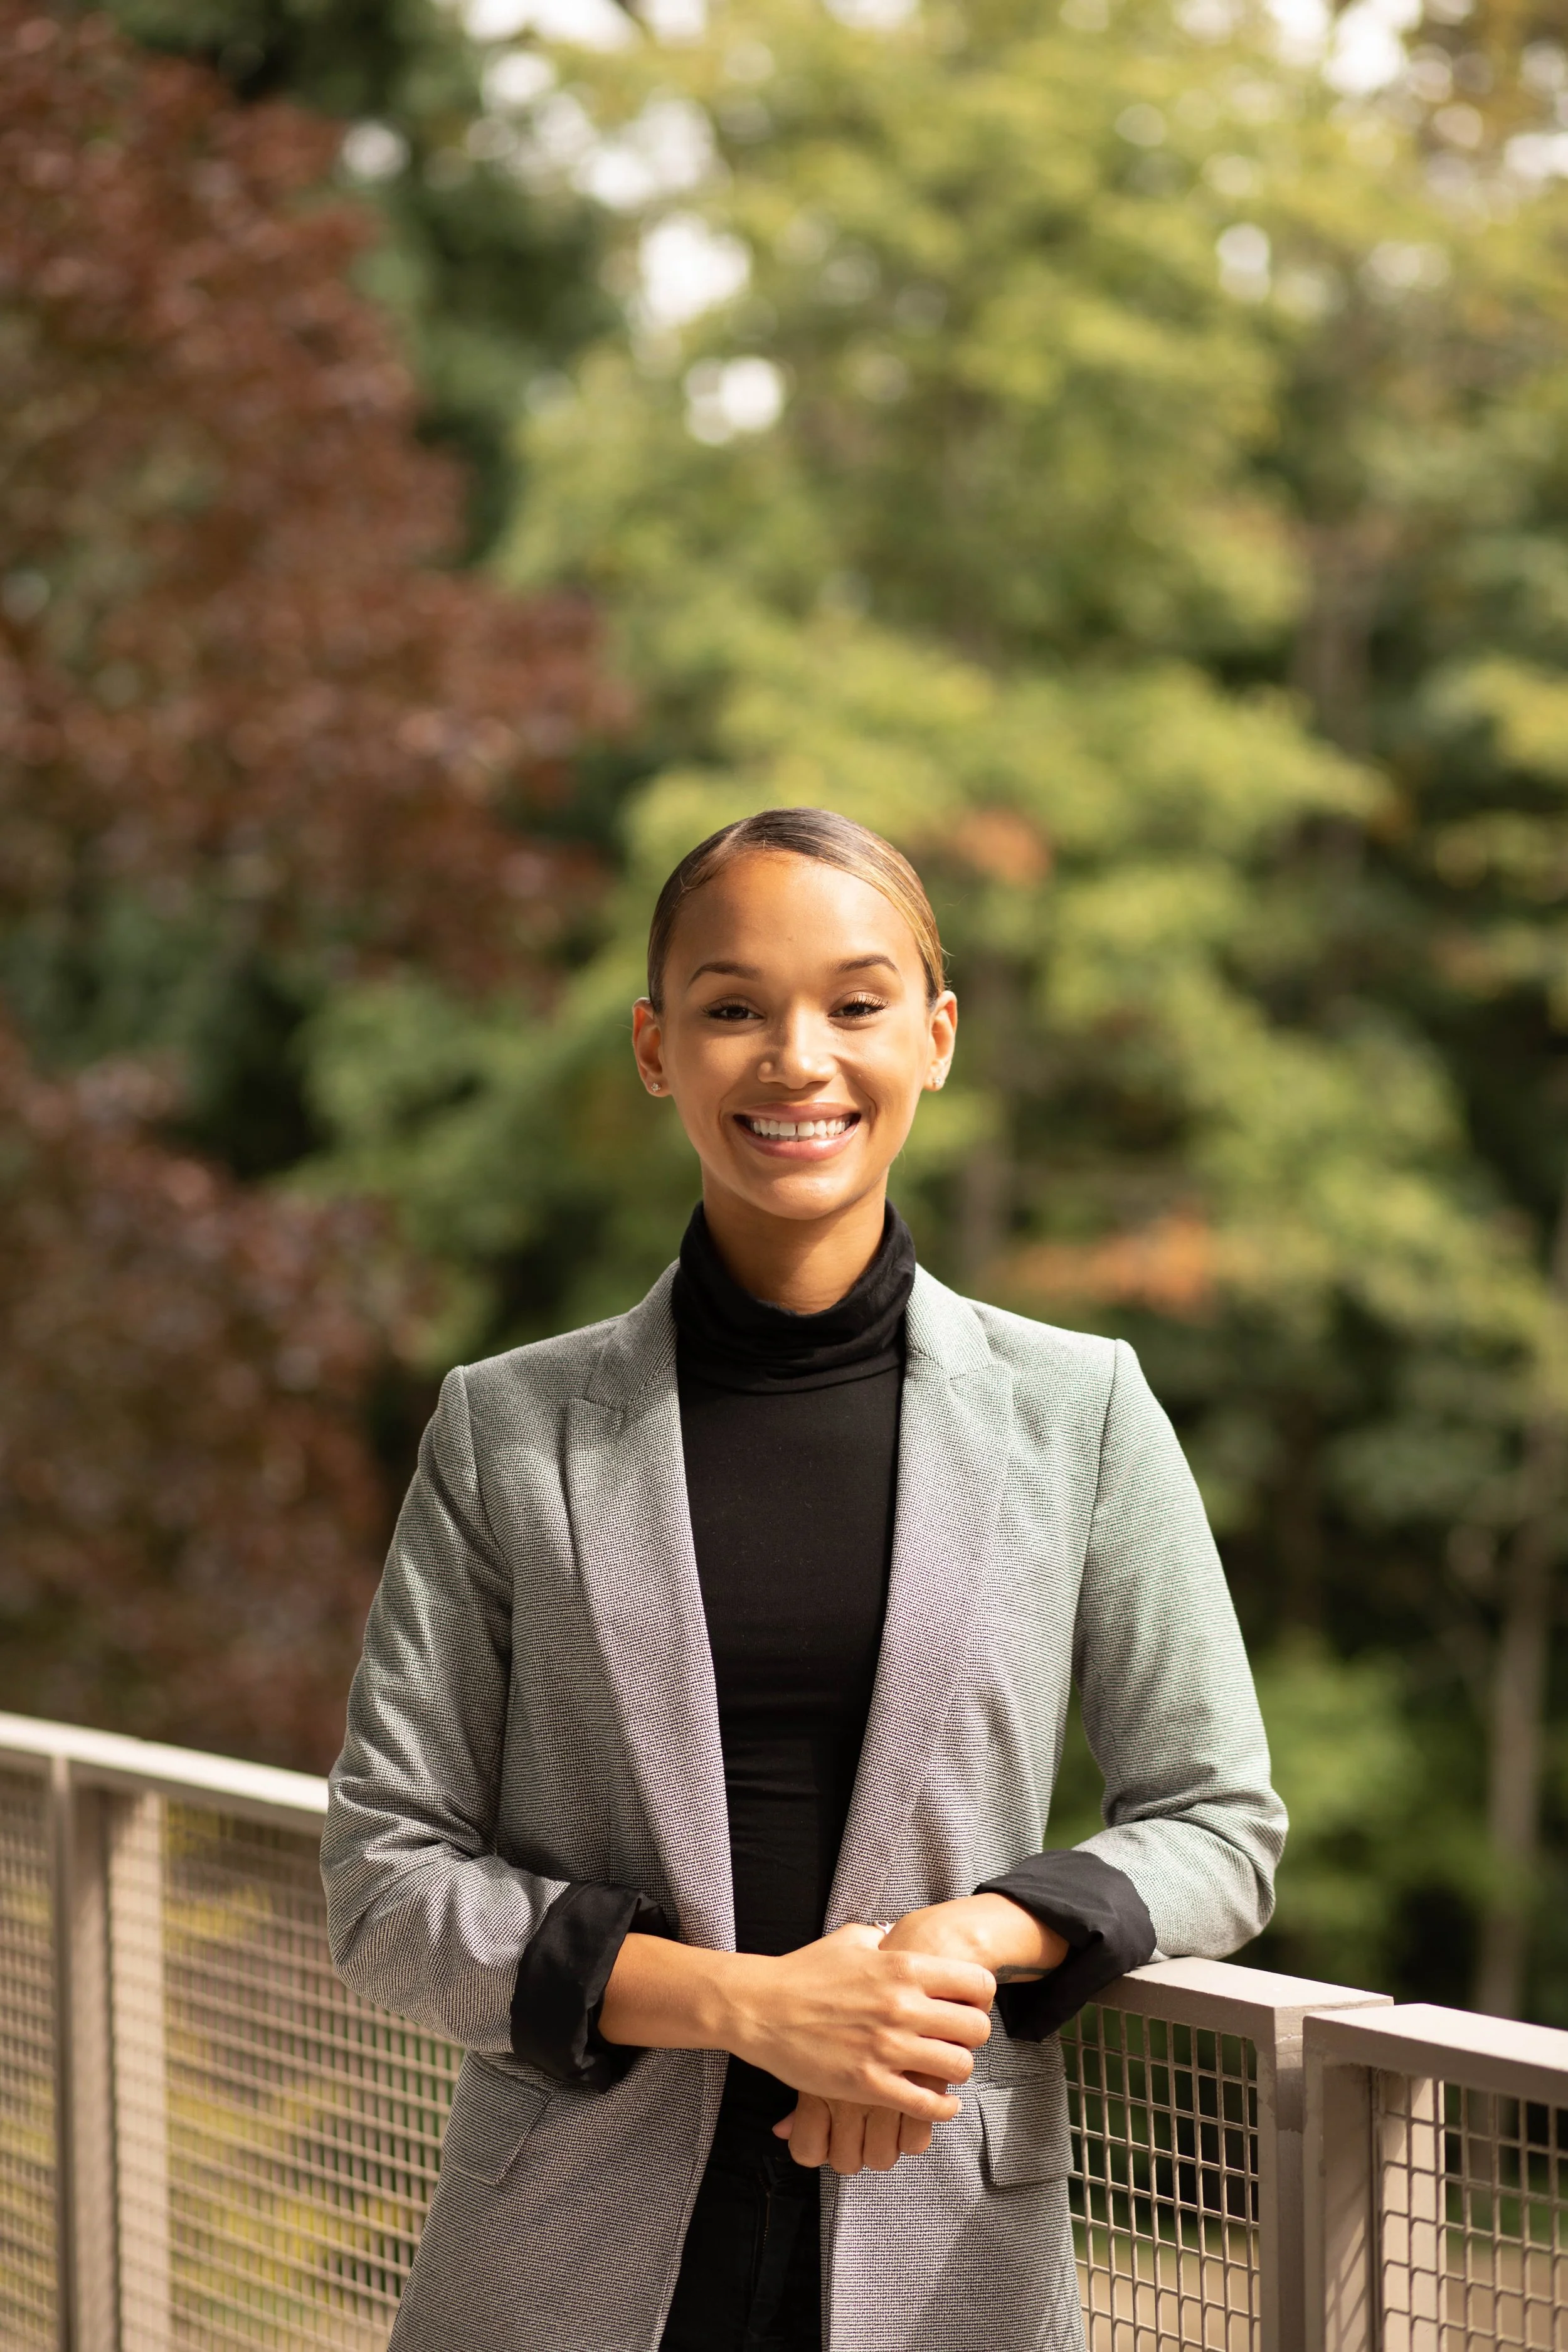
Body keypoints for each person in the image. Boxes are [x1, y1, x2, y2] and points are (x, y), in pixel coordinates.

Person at [322, 808, 1286, 2352]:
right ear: (654, 1048)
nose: (794, 1056)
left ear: (936, 1035)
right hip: (560, 2257)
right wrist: (749, 2007)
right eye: (729, 1007)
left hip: (942, 2243)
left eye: (853, 1002)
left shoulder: (1079, 1412)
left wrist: (966, 1939)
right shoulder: (506, 1430)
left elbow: (1219, 1822)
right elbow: (384, 1882)